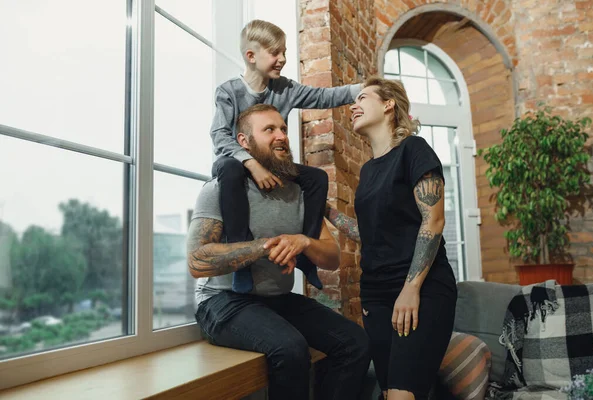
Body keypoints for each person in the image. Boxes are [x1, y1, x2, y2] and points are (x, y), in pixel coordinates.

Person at [189, 104, 371, 400]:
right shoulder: (218, 190)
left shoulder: (300, 195)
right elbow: (197, 261)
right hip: (222, 303)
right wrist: (263, 246)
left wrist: (305, 242)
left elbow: (332, 259)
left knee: (355, 342)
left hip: (278, 301)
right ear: (244, 143)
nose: (281, 136)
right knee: (290, 349)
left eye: (283, 129)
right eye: (269, 130)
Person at [325, 77, 457, 400]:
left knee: (402, 395)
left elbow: (434, 220)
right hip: (377, 297)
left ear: (388, 105)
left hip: (422, 288)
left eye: (362, 98)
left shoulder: (414, 150)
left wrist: (411, 288)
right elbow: (369, 235)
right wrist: (329, 214)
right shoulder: (368, 172)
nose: (353, 107)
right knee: (388, 392)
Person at [210, 19, 361, 294]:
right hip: (236, 162)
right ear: (251, 56)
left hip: (273, 164)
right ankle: (242, 264)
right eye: (275, 53)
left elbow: (323, 97)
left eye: (285, 52)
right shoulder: (228, 91)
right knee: (229, 169)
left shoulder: (286, 89)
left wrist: (362, 90)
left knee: (316, 177)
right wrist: (251, 163)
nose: (283, 59)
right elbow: (219, 135)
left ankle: (306, 250)